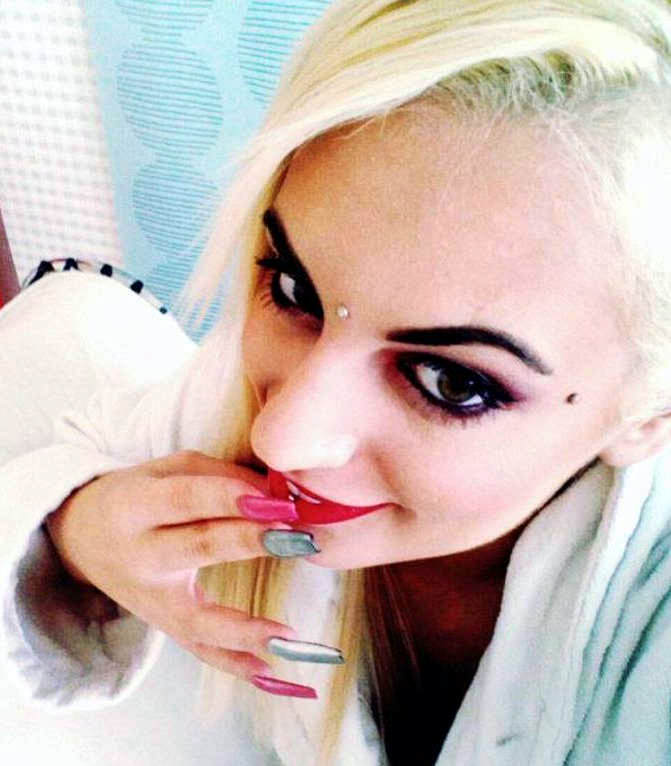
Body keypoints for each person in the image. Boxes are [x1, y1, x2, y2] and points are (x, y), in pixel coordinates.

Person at [2, 1, 671, 764]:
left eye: (451, 382)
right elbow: (85, 454)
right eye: (294, 290)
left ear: (648, 412)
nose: (280, 436)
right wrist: (77, 533)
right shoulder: (233, 394)